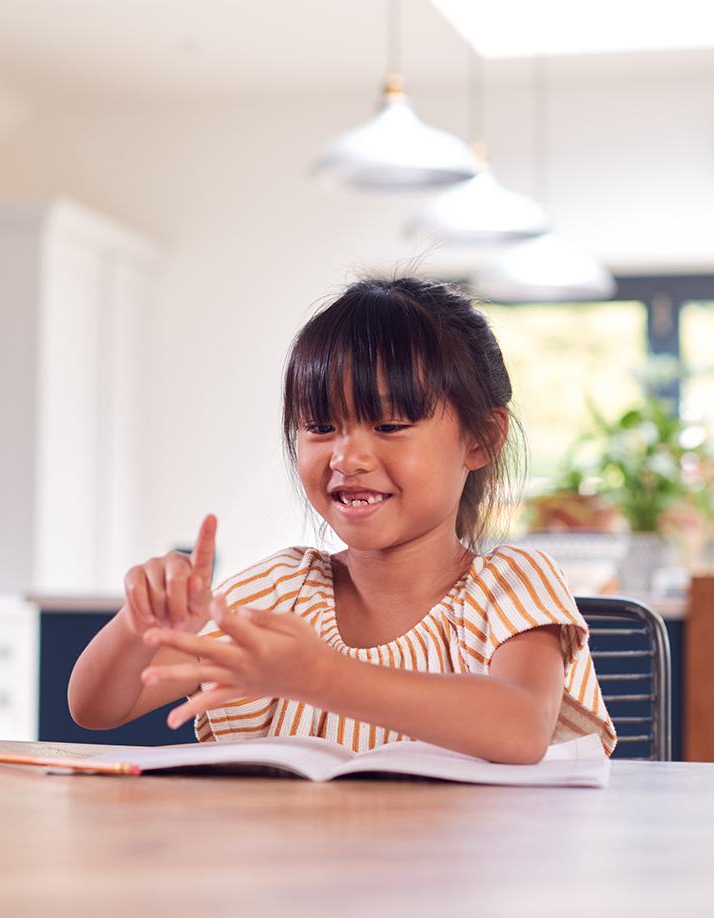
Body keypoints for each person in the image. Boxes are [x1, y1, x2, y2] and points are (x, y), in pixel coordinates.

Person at [68, 277, 616, 763]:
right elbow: (95, 708)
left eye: (390, 424)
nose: (346, 458)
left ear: (480, 439)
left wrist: (321, 676)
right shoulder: (280, 591)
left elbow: (520, 728)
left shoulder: (512, 585)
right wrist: (139, 626)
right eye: (322, 426)